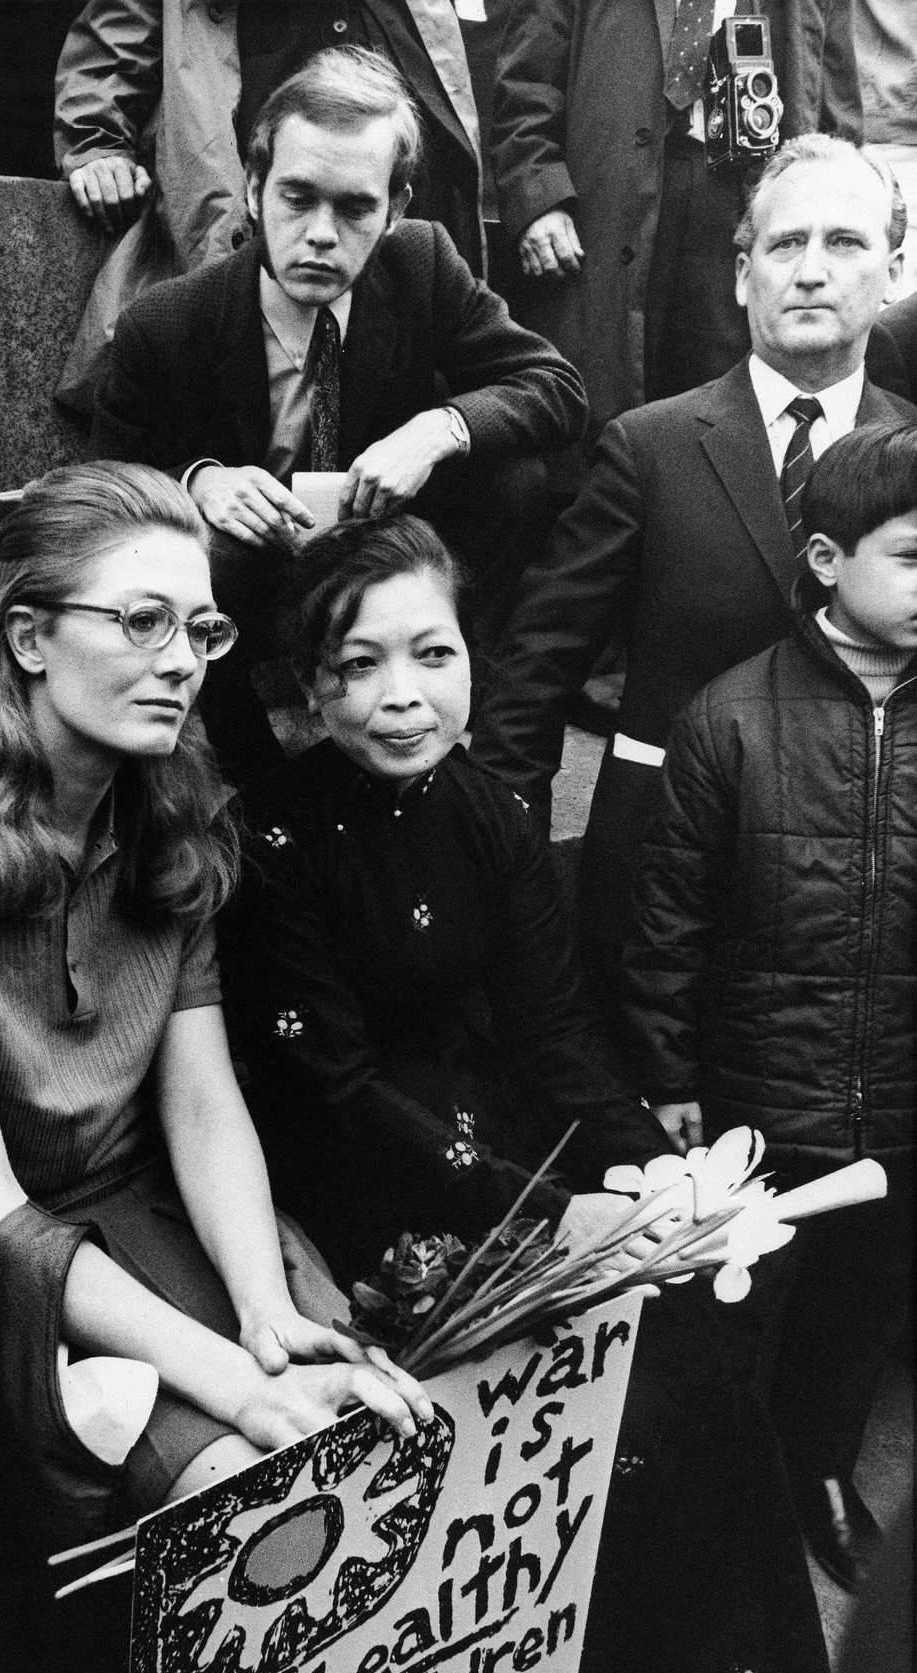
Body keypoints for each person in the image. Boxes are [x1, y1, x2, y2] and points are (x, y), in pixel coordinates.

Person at [220, 512, 864, 1673]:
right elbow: (328, 1089)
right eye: (357, 666)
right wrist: (544, 1205)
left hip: (504, 1130)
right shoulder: (272, 841)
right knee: (612, 1343)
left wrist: (651, 1167)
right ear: (307, 684)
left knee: (707, 1301)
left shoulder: (490, 805)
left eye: (433, 653)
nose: (402, 695)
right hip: (366, 1174)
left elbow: (558, 1029)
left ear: (476, 658)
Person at [0, 461, 430, 1571]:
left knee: (344, 1428)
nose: (180, 660)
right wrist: (226, 1375)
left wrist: (260, 1305)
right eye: (141, 621)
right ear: (29, 637)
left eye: (201, 628)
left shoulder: (171, 810)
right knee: (237, 1489)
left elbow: (199, 1099)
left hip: (127, 1198)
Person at [471, 135, 916, 1008]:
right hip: (664, 891)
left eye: (846, 243)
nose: (812, 271)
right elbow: (536, 672)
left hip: (873, 901)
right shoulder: (651, 447)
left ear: (894, 269)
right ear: (742, 274)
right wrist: (507, 860)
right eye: (785, 245)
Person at [92, 48, 588, 782]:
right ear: (255, 189)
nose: (322, 233)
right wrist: (197, 483)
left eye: (355, 207)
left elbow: (555, 384)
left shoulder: (422, 267)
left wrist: (438, 431)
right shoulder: (168, 323)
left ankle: (441, 708)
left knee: (514, 479)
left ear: (396, 210)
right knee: (199, 554)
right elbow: (100, 489)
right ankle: (254, 781)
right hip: (253, 585)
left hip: (384, 563)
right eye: (297, 198)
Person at [620, 424, 915, 1595]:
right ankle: (726, 1518)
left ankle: (823, 1469)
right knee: (741, 1322)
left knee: (860, 1307)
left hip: (899, 1091)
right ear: (825, 560)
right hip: (759, 1091)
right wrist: (670, 1073)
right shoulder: (729, 717)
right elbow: (668, 922)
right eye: (911, 554)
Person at [52, 0, 487, 412]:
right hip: (248, 162)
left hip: (395, 161)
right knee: (230, 386)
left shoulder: (421, 247)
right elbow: (117, 31)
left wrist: (448, 428)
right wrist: (96, 137)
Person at [489, 0, 862, 445]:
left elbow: (836, 110)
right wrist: (538, 196)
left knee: (723, 412)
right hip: (605, 199)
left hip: (744, 204)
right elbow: (526, 83)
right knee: (597, 395)